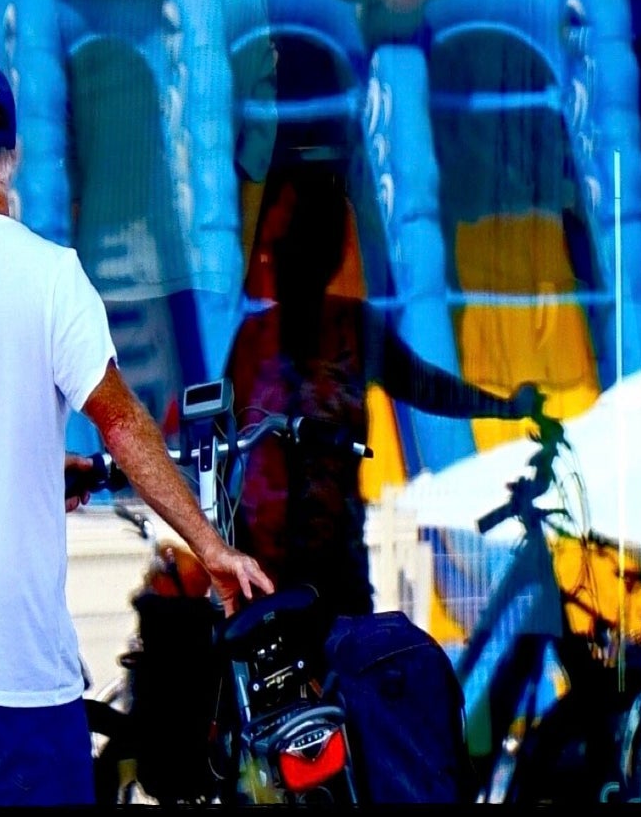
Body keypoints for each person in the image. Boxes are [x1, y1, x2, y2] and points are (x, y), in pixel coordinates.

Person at [0, 47, 273, 807]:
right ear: (12, 160)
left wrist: (24, 467)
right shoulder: (51, 274)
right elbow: (121, 424)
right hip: (17, 676)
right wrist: (211, 547)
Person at [226, 161, 542, 621]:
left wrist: (506, 407)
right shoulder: (253, 342)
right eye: (276, 244)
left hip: (336, 573)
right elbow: (218, 447)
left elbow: (427, 387)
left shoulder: (354, 328)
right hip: (264, 576)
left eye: (288, 242)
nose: (276, 257)